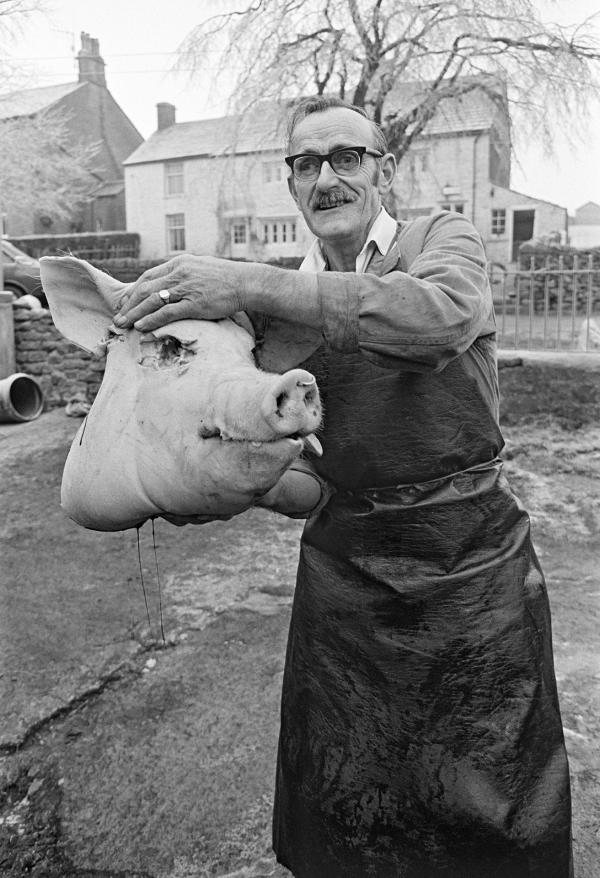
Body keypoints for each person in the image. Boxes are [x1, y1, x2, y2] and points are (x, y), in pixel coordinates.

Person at [114, 96, 572, 878]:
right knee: (350, 807)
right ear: (290, 185)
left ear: (383, 171)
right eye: (306, 164)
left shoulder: (440, 241)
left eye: (347, 157)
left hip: (472, 578)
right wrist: (216, 483)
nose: (326, 177)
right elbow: (304, 481)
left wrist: (247, 282)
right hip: (346, 585)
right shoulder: (275, 320)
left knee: (495, 815)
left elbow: (437, 321)